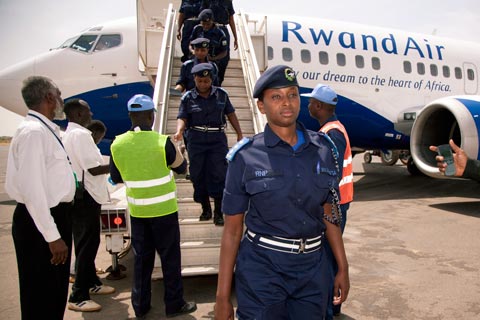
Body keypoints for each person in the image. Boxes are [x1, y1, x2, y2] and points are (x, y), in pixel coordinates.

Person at [215, 65, 350, 320]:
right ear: (261, 106)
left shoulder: (323, 149)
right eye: (276, 96)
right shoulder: (245, 157)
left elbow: (329, 211)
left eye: (292, 94)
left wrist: (342, 266)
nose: (286, 103)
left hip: (313, 268)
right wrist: (222, 297)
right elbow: (232, 231)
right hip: (262, 269)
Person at [109, 94, 197, 318]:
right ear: (151, 116)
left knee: (141, 260)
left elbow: (115, 176)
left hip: (138, 213)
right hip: (164, 212)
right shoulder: (162, 142)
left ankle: (140, 306)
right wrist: (181, 154)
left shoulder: (117, 144)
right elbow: (180, 168)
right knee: (170, 259)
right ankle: (174, 304)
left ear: (130, 116)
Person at [5, 76, 76, 320]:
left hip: (51, 218)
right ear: (48, 98)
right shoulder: (34, 133)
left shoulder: (45, 130)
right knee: (40, 296)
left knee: (55, 293)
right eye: (58, 94)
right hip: (41, 222)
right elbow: (33, 189)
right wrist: (53, 236)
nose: (60, 100)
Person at [302, 83, 353, 319]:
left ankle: (329, 310)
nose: (308, 105)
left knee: (326, 258)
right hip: (337, 202)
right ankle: (332, 307)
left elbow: (331, 176)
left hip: (333, 205)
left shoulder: (331, 134)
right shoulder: (332, 129)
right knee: (329, 256)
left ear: (320, 106)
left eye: (311, 102)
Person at [173, 63, 243, 226]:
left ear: (211, 79)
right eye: (199, 81)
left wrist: (239, 132)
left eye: (206, 81)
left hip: (217, 139)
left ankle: (219, 212)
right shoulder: (188, 97)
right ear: (194, 79)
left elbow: (230, 114)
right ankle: (206, 209)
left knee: (219, 175)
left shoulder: (221, 95)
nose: (203, 84)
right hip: (196, 140)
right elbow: (182, 117)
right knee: (198, 175)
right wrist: (179, 131)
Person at [62, 99, 115, 312]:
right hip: (87, 197)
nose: (91, 113)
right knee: (87, 245)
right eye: (87, 110)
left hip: (77, 196)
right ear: (78, 114)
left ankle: (92, 282)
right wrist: (117, 165)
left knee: (85, 242)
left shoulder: (67, 134)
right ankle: (78, 296)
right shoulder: (82, 135)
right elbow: (93, 169)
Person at [189, 9, 229, 86]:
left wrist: (213, 59)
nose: (205, 26)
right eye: (203, 24)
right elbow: (190, 44)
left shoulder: (220, 34)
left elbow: (224, 52)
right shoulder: (197, 29)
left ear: (212, 21)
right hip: (196, 62)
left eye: (208, 24)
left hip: (212, 63)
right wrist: (193, 51)